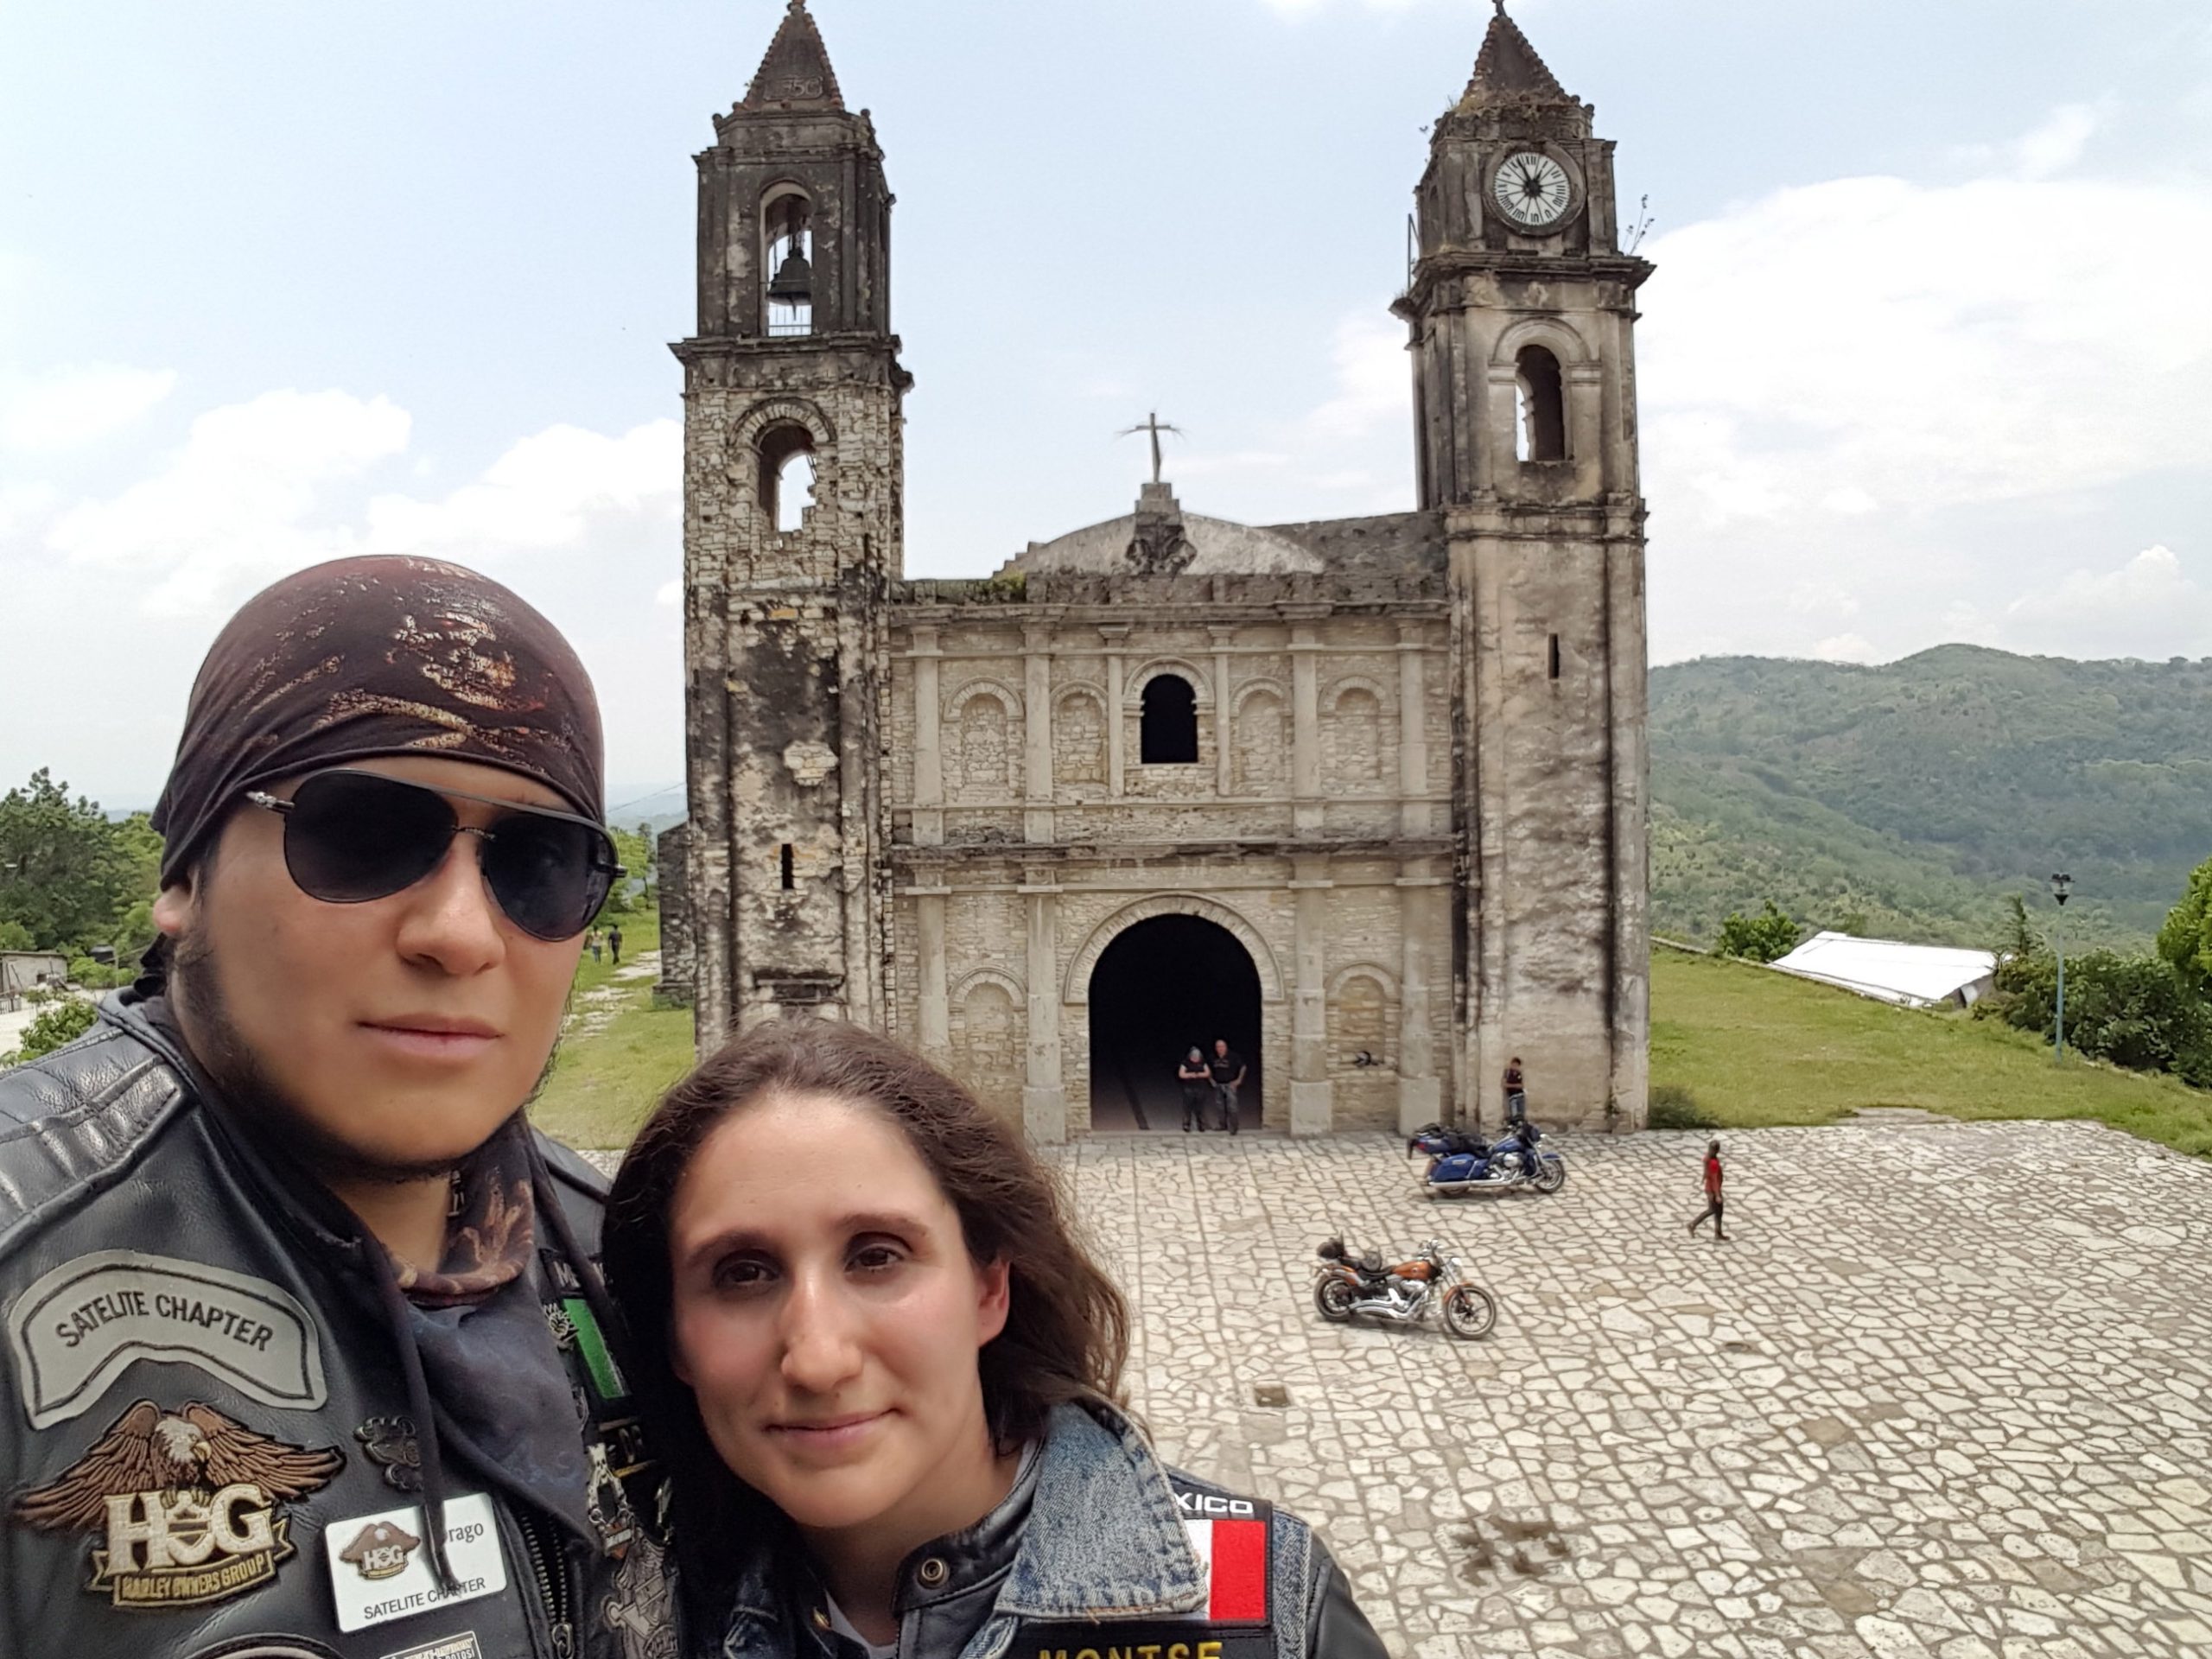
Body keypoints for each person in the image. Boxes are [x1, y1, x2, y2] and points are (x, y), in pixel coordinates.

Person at [0, 556, 668, 1656]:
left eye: (537, 862)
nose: (459, 932)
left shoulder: (620, 1257)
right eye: (359, 833)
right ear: (184, 876)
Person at [603, 1019, 1383, 1659]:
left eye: (877, 1257)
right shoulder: (636, 1621)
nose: (817, 1357)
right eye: (743, 1274)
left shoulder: (1266, 1614)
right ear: (672, 1330)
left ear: (989, 1287)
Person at [1688, 1138, 1729, 1241]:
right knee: (1712, 1210)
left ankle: (1718, 1232)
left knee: (1719, 1211)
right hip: (1713, 1190)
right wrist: (1718, 1195)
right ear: (1717, 1150)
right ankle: (1693, 1224)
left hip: (1709, 1188)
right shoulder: (1714, 1163)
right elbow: (1715, 1179)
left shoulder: (1707, 1158)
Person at [1209, 1036, 1247, 1135]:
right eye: (1218, 1047)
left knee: (1232, 1107)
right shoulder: (1212, 1057)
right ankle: (1222, 1125)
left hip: (1230, 1085)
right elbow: (1207, 1068)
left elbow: (1243, 1067)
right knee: (1220, 1107)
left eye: (1222, 1046)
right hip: (1218, 1085)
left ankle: (1234, 1127)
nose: (1220, 1049)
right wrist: (1210, 1079)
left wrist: (1239, 1080)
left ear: (1226, 1047)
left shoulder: (1233, 1056)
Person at [1177, 1045, 1212, 1133]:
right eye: (1194, 1056)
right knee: (1188, 1107)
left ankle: (1201, 1125)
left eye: (1197, 1056)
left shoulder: (1203, 1063)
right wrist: (1190, 1075)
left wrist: (1199, 1075)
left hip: (1200, 1088)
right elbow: (1181, 1074)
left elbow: (1208, 1073)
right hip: (1189, 1088)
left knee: (1200, 1108)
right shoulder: (1186, 1063)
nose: (1195, 1058)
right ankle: (1186, 1124)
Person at [1503, 1055, 1526, 1124]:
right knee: (1514, 1115)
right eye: (1514, 1064)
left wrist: (1513, 1086)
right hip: (1512, 1097)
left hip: (1521, 1096)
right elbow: (1504, 1085)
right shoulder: (1507, 1073)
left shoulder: (1519, 1073)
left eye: (1517, 1065)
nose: (1515, 1066)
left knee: (1521, 1115)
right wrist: (1515, 1085)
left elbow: (1522, 1086)